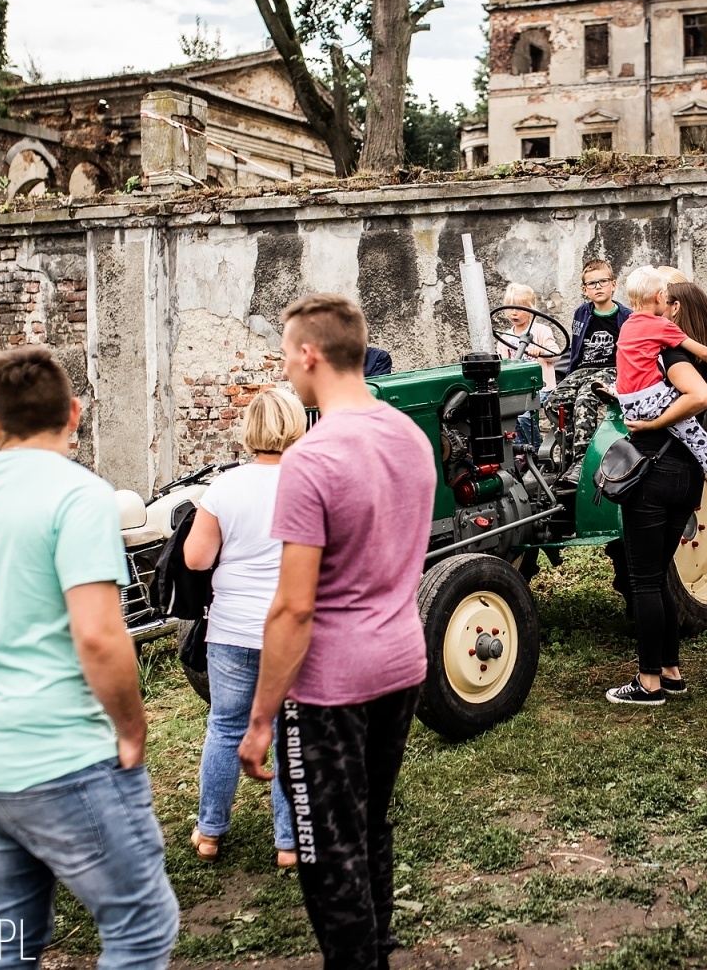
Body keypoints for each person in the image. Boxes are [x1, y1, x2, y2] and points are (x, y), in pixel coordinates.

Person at [0, 347, 179, 968]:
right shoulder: (78, 495)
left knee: (9, 934)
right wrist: (133, 726)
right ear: (75, 413)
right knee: (141, 923)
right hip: (62, 758)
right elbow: (98, 636)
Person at [238, 294, 435, 969]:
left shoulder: (311, 459)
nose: (286, 369)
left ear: (308, 354)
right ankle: (376, 951)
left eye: (287, 355)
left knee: (327, 850)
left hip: (330, 688)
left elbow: (293, 609)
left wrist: (262, 716)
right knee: (371, 825)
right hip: (403, 662)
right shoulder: (411, 436)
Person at [183, 389, 307, 869]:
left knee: (225, 725)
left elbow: (196, 559)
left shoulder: (225, 488)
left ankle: (210, 831)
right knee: (288, 732)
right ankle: (289, 843)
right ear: (297, 426)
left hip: (233, 631)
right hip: (292, 631)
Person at [606, 289, 707, 705]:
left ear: (674, 312)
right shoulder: (683, 354)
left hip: (653, 473)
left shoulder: (671, 357)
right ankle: (671, 671)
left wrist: (649, 424)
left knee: (642, 578)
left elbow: (700, 398)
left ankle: (648, 683)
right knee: (658, 573)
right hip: (685, 475)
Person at [614, 267, 707, 527]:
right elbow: (704, 354)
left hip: (628, 402)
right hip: (651, 401)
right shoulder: (661, 326)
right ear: (661, 297)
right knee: (703, 443)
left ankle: (695, 492)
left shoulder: (627, 325)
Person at [551, 259, 632, 482]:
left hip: (611, 369)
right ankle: (568, 456)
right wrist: (569, 375)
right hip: (584, 369)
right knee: (553, 401)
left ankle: (582, 461)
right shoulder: (581, 313)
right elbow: (576, 350)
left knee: (586, 396)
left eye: (603, 281)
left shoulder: (625, 317)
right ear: (584, 290)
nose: (598, 287)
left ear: (613, 284)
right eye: (592, 283)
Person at [497, 283, 562, 451]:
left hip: (541, 387)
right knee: (508, 416)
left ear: (531, 308)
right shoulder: (506, 337)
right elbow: (504, 365)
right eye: (510, 308)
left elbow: (556, 354)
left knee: (524, 415)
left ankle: (536, 450)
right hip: (517, 390)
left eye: (519, 308)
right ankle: (519, 452)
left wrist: (540, 352)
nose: (514, 313)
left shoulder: (541, 331)